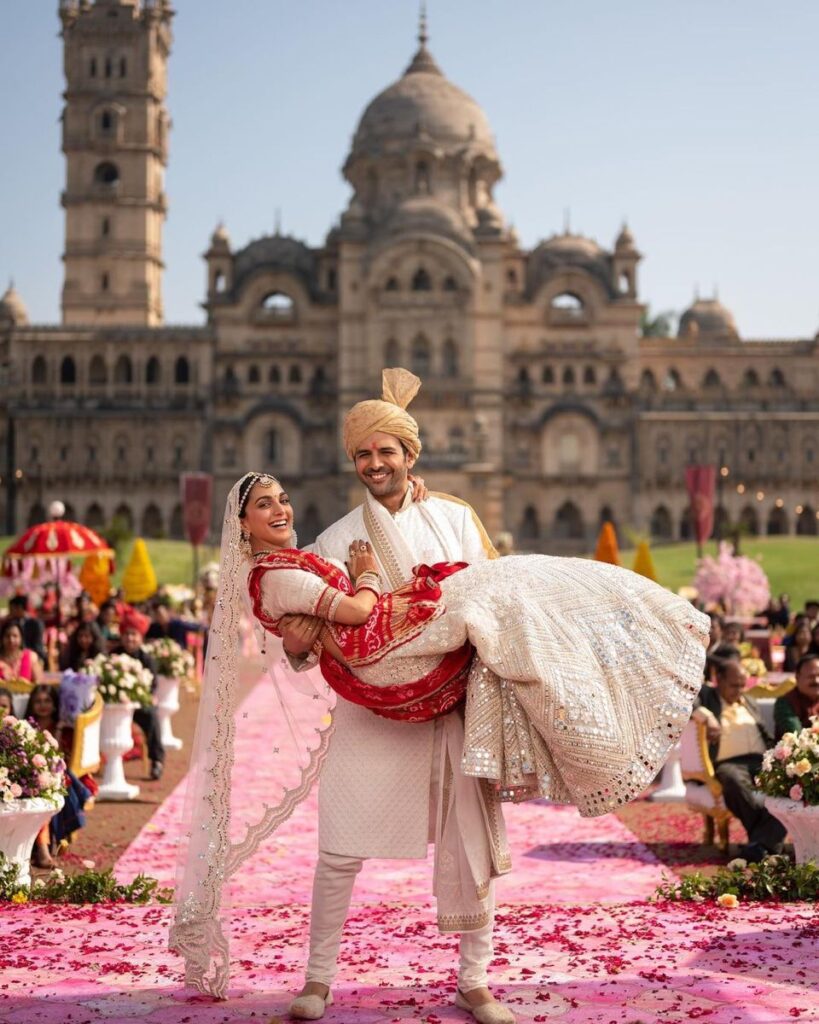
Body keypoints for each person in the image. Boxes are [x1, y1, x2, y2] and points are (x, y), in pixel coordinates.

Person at [170, 370, 709, 1023]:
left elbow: (498, 605)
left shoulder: (454, 517)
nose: (374, 463)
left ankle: (473, 981)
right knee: (339, 846)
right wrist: (295, 641)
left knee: (470, 845)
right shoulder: (337, 540)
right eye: (363, 454)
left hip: (456, 702)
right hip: (374, 711)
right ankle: (316, 980)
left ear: (408, 456)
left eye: (385, 451)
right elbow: (306, 634)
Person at [692, 651, 786, 861]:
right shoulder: (709, 696)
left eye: (743, 685)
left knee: (791, 788)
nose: (740, 690)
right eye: (734, 685)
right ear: (719, 680)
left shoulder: (749, 701)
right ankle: (766, 843)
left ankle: (759, 845)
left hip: (763, 762)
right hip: (729, 764)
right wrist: (707, 717)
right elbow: (686, 698)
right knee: (733, 781)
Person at [23, 683, 91, 868]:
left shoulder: (64, 728)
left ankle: (42, 851)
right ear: (31, 704)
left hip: (59, 777)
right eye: (38, 701)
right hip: (30, 777)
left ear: (55, 704)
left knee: (43, 792)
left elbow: (65, 759)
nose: (43, 705)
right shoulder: (25, 726)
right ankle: (40, 850)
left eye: (47, 701)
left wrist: (58, 734)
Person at [112, 611, 165, 780]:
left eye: (133, 634)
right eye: (126, 634)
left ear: (140, 637)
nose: (130, 638)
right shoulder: (113, 656)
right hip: (115, 705)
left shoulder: (147, 659)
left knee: (152, 716)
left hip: (138, 705)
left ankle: (157, 761)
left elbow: (153, 686)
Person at [774, 653, 819, 739]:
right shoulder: (785, 703)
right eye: (811, 677)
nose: (816, 681)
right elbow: (797, 737)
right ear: (797, 677)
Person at [6, 595, 47, 663]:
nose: (10, 612)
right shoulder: (10, 623)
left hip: (32, 656)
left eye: (12, 609)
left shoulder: (35, 624)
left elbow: (37, 646)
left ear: (19, 608)